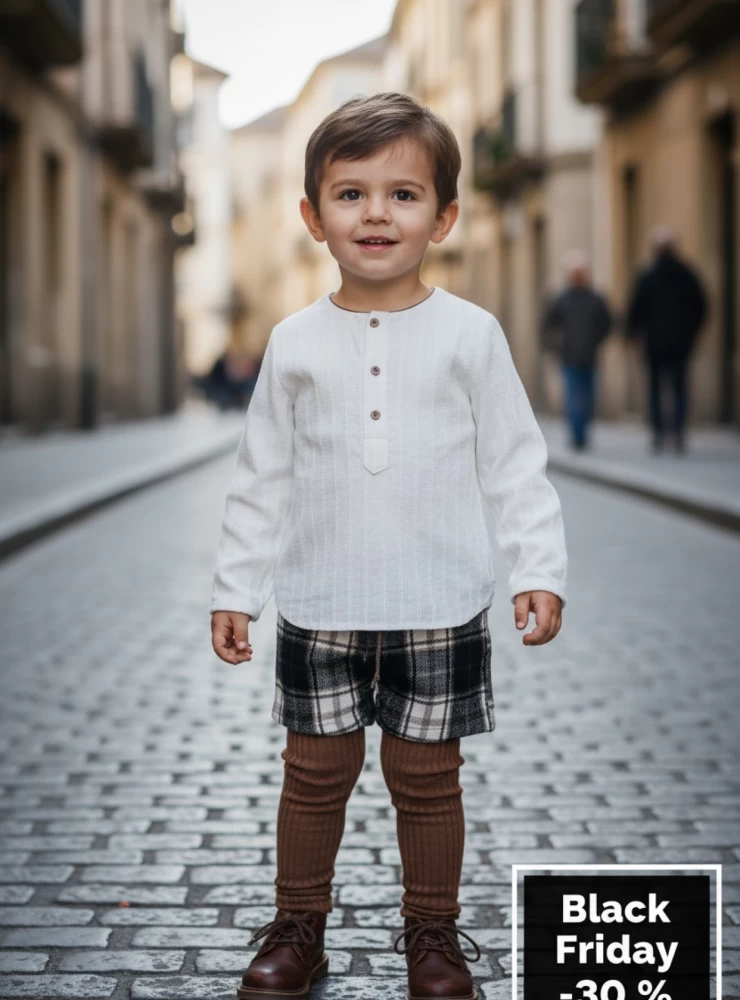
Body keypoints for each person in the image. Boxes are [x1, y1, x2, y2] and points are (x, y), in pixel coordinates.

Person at [209, 92, 568, 1000]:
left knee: (428, 780)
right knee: (313, 776)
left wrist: (538, 568)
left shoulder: (471, 336)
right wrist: (234, 589)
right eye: (352, 193)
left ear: (443, 217)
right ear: (312, 216)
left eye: (404, 195)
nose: (376, 213)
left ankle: (434, 937)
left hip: (438, 604)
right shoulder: (291, 345)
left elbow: (516, 463)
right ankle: (299, 927)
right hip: (320, 606)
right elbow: (262, 478)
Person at [626, 225, 707, 454]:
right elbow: (701, 307)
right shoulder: (687, 274)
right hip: (681, 342)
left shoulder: (648, 275)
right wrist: (693, 333)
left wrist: (634, 333)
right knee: (680, 386)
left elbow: (636, 309)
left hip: (655, 342)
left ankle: (659, 433)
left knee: (655, 387)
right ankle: (678, 432)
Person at [542, 250, 612, 451]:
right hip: (569, 356)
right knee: (573, 396)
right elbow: (548, 326)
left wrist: (597, 341)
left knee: (589, 397)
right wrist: (555, 346)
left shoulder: (595, 298)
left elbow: (607, 323)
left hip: (590, 355)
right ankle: (576, 435)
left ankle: (584, 432)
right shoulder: (561, 299)